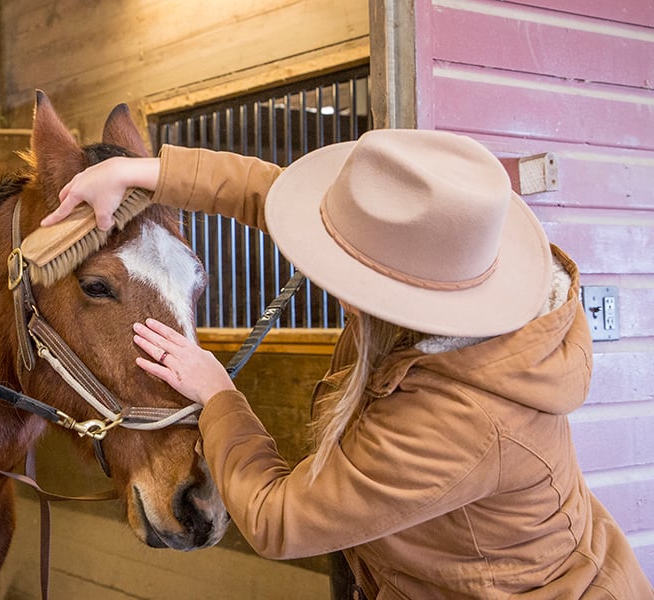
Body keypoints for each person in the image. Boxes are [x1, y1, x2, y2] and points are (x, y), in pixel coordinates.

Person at [42, 129, 652, 598]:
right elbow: (268, 195)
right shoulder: (439, 297)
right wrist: (138, 171)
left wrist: (218, 396)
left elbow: (280, 520)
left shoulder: (459, 420)